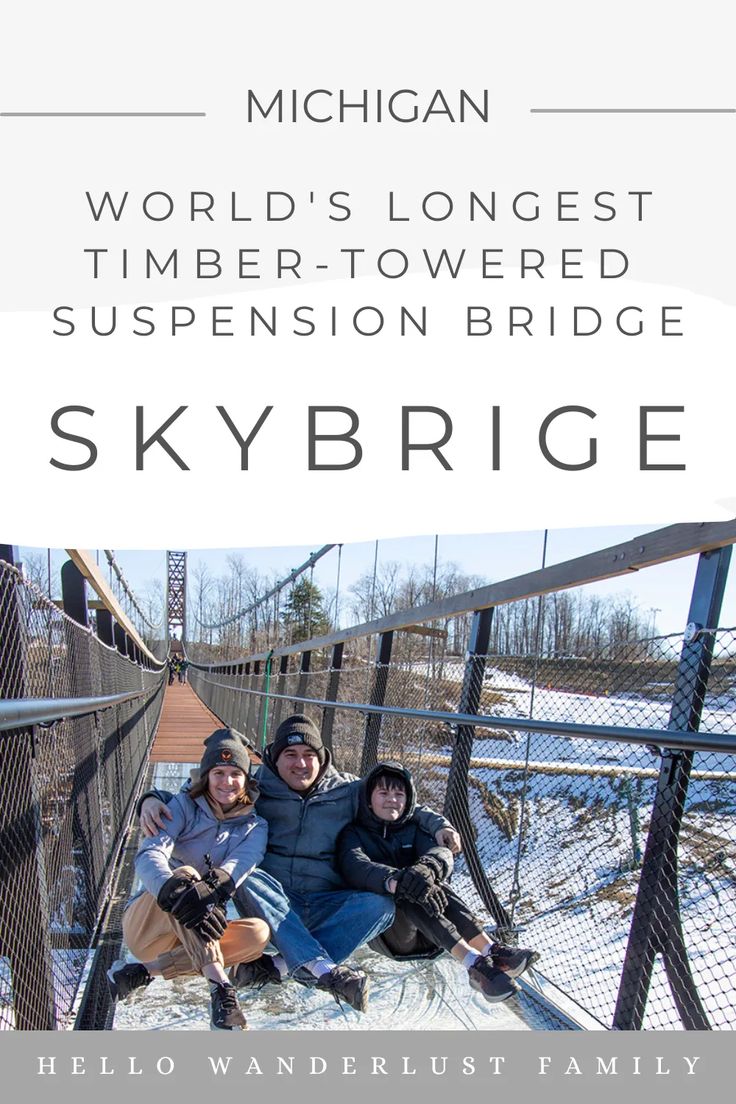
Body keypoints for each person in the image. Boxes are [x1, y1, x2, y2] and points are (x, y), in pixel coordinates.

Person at [139, 714, 460, 1013]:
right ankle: (320, 969)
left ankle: (277, 966)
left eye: (309, 754)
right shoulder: (256, 786)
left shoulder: (349, 789)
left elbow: (398, 803)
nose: (301, 763)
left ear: (322, 757)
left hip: (327, 899)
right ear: (275, 758)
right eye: (290, 754)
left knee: (381, 907)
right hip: (274, 901)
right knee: (248, 878)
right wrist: (152, 798)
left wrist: (439, 825)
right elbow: (204, 791)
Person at [336, 761, 539, 1004]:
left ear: (408, 800)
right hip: (391, 934)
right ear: (369, 799)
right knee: (408, 888)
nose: (392, 799)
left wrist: (426, 869)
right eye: (384, 793)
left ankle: (490, 951)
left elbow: (439, 851)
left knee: (426, 882)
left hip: (434, 934)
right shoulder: (354, 833)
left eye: (399, 794)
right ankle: (473, 963)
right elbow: (355, 866)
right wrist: (395, 879)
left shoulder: (413, 829)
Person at [109, 730, 270, 1030]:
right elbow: (149, 855)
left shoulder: (255, 827)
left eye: (236, 773)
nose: (227, 782)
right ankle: (221, 989)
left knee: (259, 934)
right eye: (218, 773)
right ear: (206, 776)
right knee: (186, 876)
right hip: (149, 926)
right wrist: (175, 892)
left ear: (247, 779)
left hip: (190, 937)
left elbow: (238, 866)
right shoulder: (182, 807)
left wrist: (208, 895)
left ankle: (142, 972)